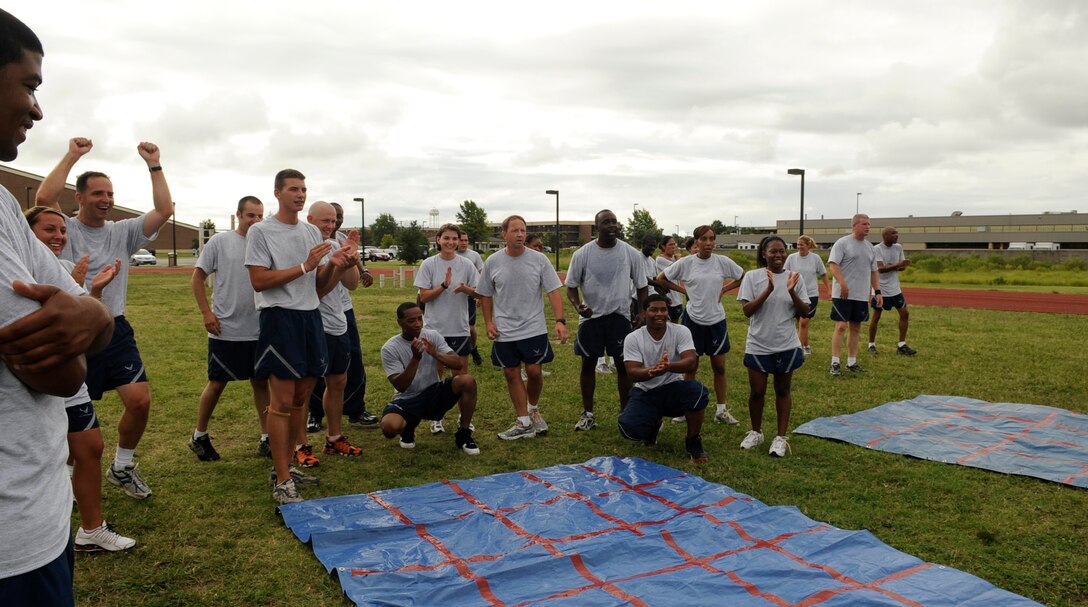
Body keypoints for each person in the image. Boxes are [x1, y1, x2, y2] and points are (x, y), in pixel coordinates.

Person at [0, 10, 115, 602]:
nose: (37, 108)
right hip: (10, 547)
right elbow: (61, 372)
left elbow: (88, 315)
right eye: (30, 84)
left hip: (39, 520)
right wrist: (86, 325)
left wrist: (91, 316)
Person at [36, 135, 175, 500]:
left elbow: (163, 211)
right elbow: (42, 201)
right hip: (72, 331)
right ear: (79, 197)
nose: (106, 200)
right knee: (69, 412)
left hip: (113, 325)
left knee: (140, 400)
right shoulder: (63, 229)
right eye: (98, 193)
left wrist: (154, 164)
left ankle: (123, 466)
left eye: (110, 194)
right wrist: (72, 155)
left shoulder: (122, 232)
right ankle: (63, 472)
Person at [24, 206, 133, 551]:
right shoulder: (17, 267)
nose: (58, 236)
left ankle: (91, 530)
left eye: (61, 230)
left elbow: (85, 329)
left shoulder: (69, 270)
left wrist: (94, 291)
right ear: (27, 233)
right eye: (48, 230)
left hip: (70, 378)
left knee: (91, 447)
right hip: (31, 382)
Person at [245, 169, 356, 504]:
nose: (300, 194)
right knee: (280, 402)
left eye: (304, 189)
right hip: (279, 319)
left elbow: (319, 290)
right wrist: (307, 266)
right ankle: (281, 480)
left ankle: (288, 466)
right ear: (278, 193)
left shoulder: (311, 232)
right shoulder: (261, 231)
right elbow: (259, 281)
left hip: (310, 319)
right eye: (293, 189)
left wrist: (337, 264)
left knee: (299, 399)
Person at [189, 196, 270, 461]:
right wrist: (206, 313)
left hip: (259, 328)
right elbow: (198, 277)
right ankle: (199, 435)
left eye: (260, 215)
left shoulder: (266, 241)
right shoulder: (220, 242)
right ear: (239, 215)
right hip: (226, 328)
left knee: (261, 382)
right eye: (251, 215)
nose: (256, 220)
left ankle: (267, 437)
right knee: (217, 383)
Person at [477, 215, 569, 440]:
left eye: (523, 230)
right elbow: (486, 294)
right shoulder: (493, 261)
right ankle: (523, 421)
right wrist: (489, 322)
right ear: (504, 234)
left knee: (535, 372)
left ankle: (533, 408)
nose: (520, 234)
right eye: (515, 230)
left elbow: (554, 291)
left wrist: (560, 321)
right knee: (511, 373)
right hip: (505, 330)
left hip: (533, 327)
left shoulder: (539, 260)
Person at [565, 210, 646, 431]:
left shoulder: (630, 253)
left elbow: (642, 286)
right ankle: (588, 414)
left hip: (620, 318)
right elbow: (571, 286)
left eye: (614, 222)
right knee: (588, 365)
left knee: (624, 367)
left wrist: (642, 312)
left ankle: (626, 414)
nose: (612, 225)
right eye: (606, 222)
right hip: (591, 320)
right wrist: (578, 306)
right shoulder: (582, 254)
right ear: (596, 227)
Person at [656, 225, 744, 425]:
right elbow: (661, 279)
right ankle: (685, 407)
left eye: (712, 239)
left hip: (716, 321)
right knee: (690, 367)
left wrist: (725, 289)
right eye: (704, 239)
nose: (709, 243)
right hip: (693, 321)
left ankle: (721, 410)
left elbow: (742, 276)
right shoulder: (686, 263)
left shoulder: (722, 262)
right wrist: (684, 291)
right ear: (696, 242)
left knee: (719, 367)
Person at [308, 202, 377, 431]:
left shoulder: (341, 239)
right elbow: (320, 286)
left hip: (342, 309)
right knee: (315, 370)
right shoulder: (308, 241)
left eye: (337, 218)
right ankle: (314, 414)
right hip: (313, 313)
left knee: (351, 362)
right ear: (311, 219)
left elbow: (351, 277)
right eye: (327, 219)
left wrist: (359, 266)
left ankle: (355, 408)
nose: (334, 223)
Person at [737, 236, 809, 457]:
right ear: (763, 254)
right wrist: (768, 289)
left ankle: (780, 437)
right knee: (757, 392)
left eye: (782, 251)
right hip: (759, 344)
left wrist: (791, 291)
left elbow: (805, 312)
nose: (778, 255)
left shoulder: (794, 277)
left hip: (786, 344)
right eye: (773, 252)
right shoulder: (752, 276)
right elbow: (747, 310)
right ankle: (756, 432)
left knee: (783, 390)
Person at [617, 295, 710, 462]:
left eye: (663, 310)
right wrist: (654, 371)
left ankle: (693, 441)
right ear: (645, 313)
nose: (659, 314)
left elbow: (690, 361)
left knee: (697, 393)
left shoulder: (681, 331)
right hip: (645, 391)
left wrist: (668, 367)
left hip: (672, 387)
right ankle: (653, 424)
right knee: (629, 429)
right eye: (653, 310)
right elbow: (632, 372)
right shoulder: (633, 338)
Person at [379, 302, 480, 454]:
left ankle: (464, 434)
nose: (418, 324)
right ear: (400, 322)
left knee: (467, 381)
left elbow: (458, 364)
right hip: (407, 399)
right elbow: (401, 386)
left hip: (434, 392)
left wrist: (436, 354)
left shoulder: (432, 336)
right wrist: (415, 359)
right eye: (411, 320)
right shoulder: (390, 348)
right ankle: (408, 428)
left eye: (420, 319)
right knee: (390, 427)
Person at [416, 224, 479, 434]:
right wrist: (443, 286)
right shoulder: (429, 264)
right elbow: (423, 297)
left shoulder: (467, 264)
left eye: (455, 238)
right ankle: (436, 417)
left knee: (462, 376)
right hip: (434, 328)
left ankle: (464, 418)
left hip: (460, 329)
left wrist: (466, 289)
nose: (451, 242)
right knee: (436, 376)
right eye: (447, 238)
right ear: (438, 240)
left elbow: (479, 293)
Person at [828, 214, 881, 376]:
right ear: (854, 225)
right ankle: (835, 362)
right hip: (842, 294)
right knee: (841, 326)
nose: (868, 227)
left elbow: (874, 271)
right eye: (864, 224)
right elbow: (833, 265)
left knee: (856, 328)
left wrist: (877, 292)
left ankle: (852, 362)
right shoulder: (843, 243)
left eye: (869, 224)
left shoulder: (870, 247)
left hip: (860, 295)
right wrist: (842, 283)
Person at [868, 226, 917, 356]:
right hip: (881, 288)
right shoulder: (877, 249)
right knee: (876, 316)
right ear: (885, 236)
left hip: (895, 288)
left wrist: (903, 266)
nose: (897, 235)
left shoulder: (898, 247)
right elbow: (881, 269)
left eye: (897, 233)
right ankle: (871, 345)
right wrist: (899, 264)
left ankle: (902, 345)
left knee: (905, 314)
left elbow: (901, 267)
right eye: (893, 233)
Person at [784, 235, 829, 357]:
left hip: (810, 295)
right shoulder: (791, 258)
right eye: (797, 244)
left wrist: (829, 290)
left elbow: (823, 274)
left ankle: (797, 350)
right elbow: (784, 274)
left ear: (808, 245)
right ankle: (807, 346)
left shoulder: (816, 258)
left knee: (803, 322)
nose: (799, 247)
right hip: (794, 294)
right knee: (800, 322)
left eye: (801, 244)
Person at [457, 232, 486, 365]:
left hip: (469, 296)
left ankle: (473, 349)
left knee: (470, 327)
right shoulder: (451, 254)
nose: (463, 243)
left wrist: (479, 296)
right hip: (453, 297)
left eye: (466, 240)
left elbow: (481, 275)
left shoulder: (474, 256)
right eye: (461, 240)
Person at [656, 235, 684, 322]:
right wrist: (679, 260)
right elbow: (676, 269)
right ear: (663, 246)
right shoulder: (660, 259)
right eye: (670, 245)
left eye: (674, 244)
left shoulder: (673, 258)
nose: (673, 247)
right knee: (667, 323)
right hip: (668, 297)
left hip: (677, 298)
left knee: (675, 323)